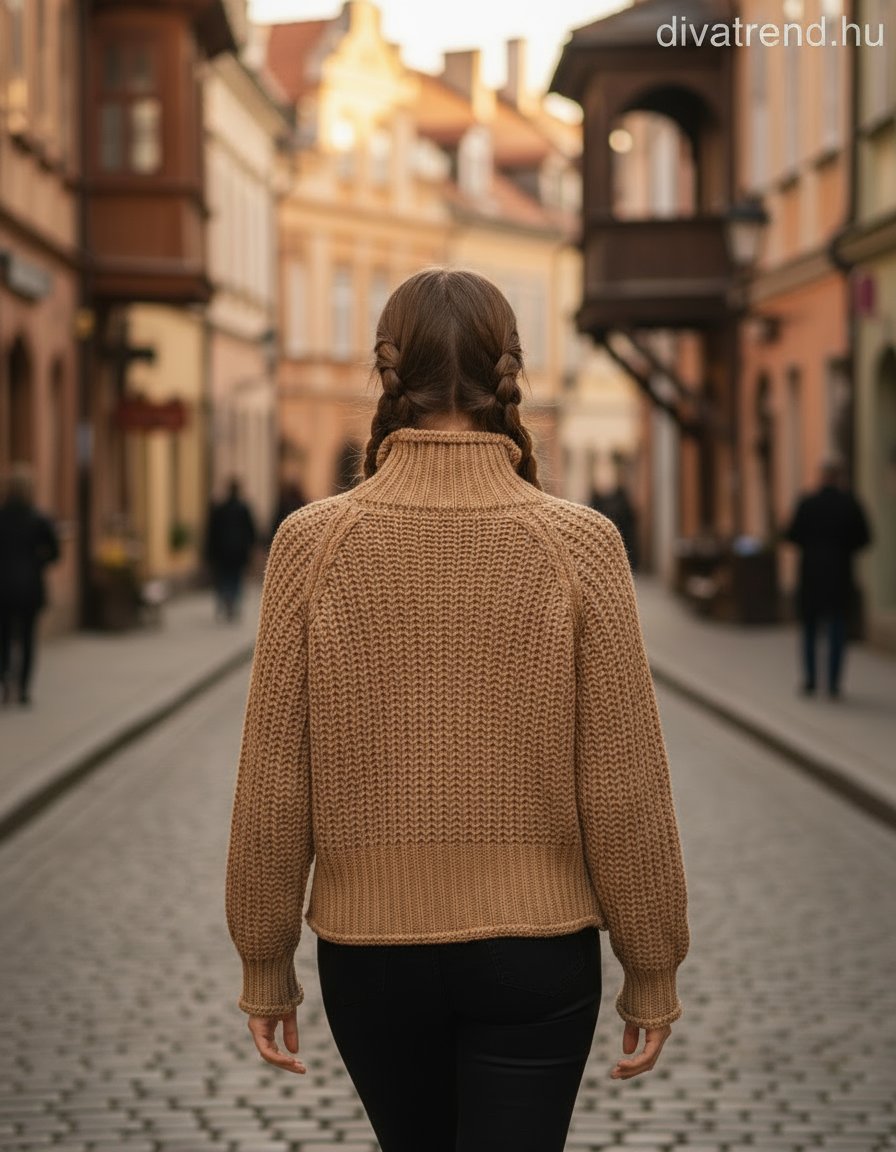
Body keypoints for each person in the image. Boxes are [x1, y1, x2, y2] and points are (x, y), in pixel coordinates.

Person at [225, 269, 689, 1152]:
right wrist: (653, 963)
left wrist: (265, 958)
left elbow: (275, 779)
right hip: (537, 955)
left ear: (387, 369)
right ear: (508, 368)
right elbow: (624, 782)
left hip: (369, 954)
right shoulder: (582, 546)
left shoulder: (310, 544)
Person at [784, 455, 872, 699]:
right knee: (836, 628)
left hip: (811, 574)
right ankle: (833, 683)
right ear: (839, 477)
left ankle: (811, 680)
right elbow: (865, 538)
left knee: (810, 629)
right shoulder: (849, 504)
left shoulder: (807, 503)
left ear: (821, 477)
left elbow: (792, 535)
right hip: (839, 575)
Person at [0, 464, 60, 706]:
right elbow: (55, 553)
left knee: (3, 637)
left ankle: (5, 680)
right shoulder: (39, 519)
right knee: (27, 638)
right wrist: (37, 562)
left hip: (3, 587)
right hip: (30, 588)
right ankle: (23, 689)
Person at [204, 478, 257, 622]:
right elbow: (251, 531)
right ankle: (233, 601)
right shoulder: (243, 509)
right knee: (236, 577)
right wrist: (251, 547)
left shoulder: (220, 509)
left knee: (224, 577)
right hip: (238, 551)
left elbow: (212, 532)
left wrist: (209, 552)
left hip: (222, 551)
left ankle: (226, 599)